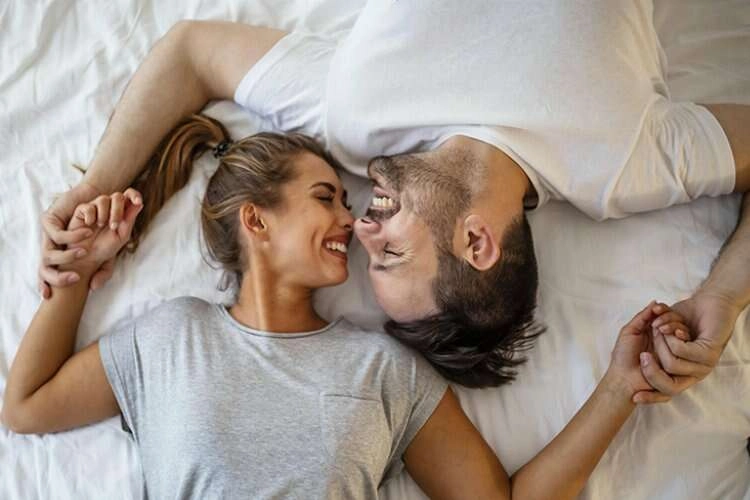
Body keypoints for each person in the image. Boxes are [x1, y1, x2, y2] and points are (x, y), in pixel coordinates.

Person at [39, 2, 749, 390]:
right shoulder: (623, 165)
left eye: (368, 255)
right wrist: (723, 298)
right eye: (391, 254)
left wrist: (96, 185)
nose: (360, 230)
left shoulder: (356, 130)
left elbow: (192, 50)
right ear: (476, 241)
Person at [3, 116, 690, 499]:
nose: (350, 217)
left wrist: (618, 388)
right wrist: (80, 273)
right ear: (257, 221)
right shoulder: (169, 338)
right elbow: (25, 405)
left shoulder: (384, 370)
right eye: (325, 197)